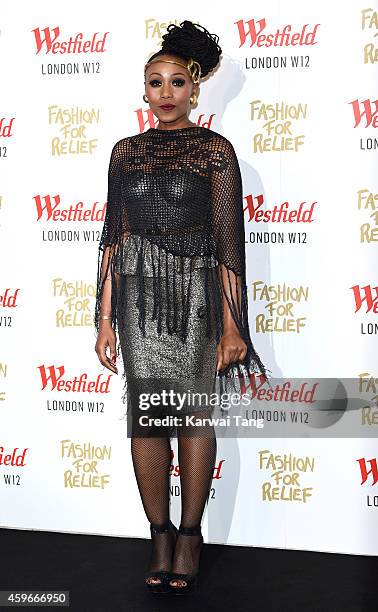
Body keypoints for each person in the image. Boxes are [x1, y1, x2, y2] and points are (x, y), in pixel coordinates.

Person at [94, 20, 270, 595]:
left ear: (195, 90)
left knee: (195, 420)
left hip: (197, 301)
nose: (165, 93)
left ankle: (190, 536)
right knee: (145, 424)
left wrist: (232, 327)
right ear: (144, 91)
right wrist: (103, 319)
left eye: (176, 82)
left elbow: (228, 248)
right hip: (139, 302)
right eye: (154, 82)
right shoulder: (125, 153)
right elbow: (112, 239)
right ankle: (159, 534)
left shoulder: (216, 152)